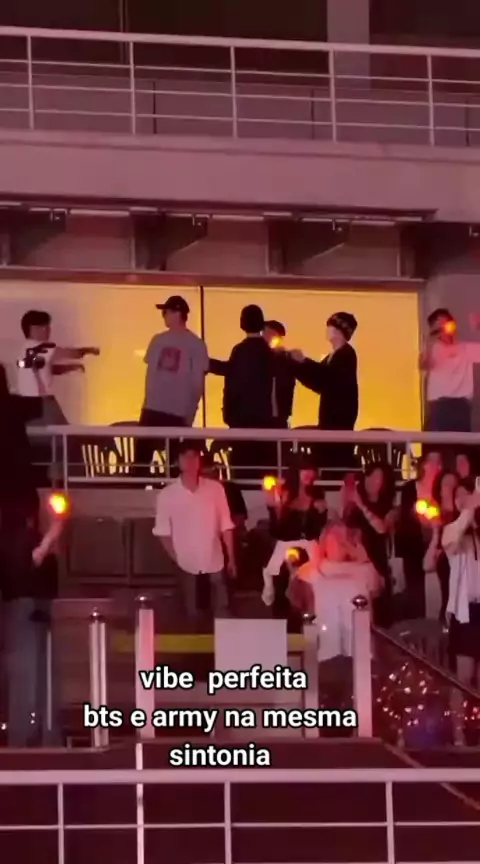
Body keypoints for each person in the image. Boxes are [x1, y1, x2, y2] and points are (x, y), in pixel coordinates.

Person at [152, 441, 236, 626]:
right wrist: (178, 558)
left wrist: (231, 558)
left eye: (194, 456)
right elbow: (163, 532)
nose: (190, 461)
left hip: (214, 560)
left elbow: (225, 525)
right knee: (191, 616)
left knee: (222, 613)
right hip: (186, 563)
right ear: (178, 461)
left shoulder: (215, 489)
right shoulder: (167, 494)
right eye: (185, 457)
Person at [289, 522, 382, 661]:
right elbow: (296, 600)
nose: (341, 540)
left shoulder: (364, 569)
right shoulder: (311, 570)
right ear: (325, 542)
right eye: (336, 536)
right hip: (325, 648)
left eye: (345, 536)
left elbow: (377, 590)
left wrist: (363, 558)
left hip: (360, 650)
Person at [136, 296, 209, 473]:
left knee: (146, 462)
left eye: (166, 312)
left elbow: (151, 377)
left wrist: (147, 403)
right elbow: (197, 384)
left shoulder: (162, 341)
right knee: (169, 464)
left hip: (158, 410)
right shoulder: (195, 344)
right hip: (171, 411)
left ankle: (142, 485)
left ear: (177, 313)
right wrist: (190, 413)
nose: (164, 316)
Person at [291, 312, 358, 472]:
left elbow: (325, 378)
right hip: (330, 420)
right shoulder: (333, 356)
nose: (327, 330)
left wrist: (303, 362)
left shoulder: (346, 355)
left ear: (340, 331)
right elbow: (317, 380)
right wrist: (297, 365)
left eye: (331, 326)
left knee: (334, 463)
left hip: (339, 421)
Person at [262, 457, 328, 616]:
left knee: (311, 582)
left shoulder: (317, 493)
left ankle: (310, 619)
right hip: (285, 544)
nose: (309, 475)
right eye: (305, 470)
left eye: (311, 472)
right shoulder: (282, 491)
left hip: (308, 546)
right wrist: (277, 508)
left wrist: (320, 512)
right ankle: (281, 618)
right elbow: (276, 529)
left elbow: (317, 528)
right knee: (281, 580)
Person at [16, 309, 100, 424]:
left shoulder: (24, 349)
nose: (47, 330)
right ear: (32, 328)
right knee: (63, 431)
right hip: (42, 402)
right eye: (43, 327)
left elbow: (48, 369)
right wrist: (90, 350)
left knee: (40, 433)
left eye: (47, 326)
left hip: (26, 403)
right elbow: (72, 354)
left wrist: (72, 368)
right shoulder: (41, 347)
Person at [221, 305, 277, 476]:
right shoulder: (269, 352)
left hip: (241, 421)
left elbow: (231, 384)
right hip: (265, 421)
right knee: (263, 473)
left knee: (242, 472)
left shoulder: (239, 351)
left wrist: (228, 414)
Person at [342, 463, 396, 627]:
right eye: (370, 476)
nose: (372, 480)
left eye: (378, 477)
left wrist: (361, 505)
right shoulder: (354, 503)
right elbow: (344, 527)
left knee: (380, 616)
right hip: (357, 562)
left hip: (378, 562)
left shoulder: (390, 508)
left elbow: (381, 528)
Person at [395, 451, 443, 618]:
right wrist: (427, 521)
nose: (437, 466)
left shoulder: (440, 490)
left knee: (437, 589)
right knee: (415, 589)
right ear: (424, 465)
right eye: (433, 461)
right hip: (413, 545)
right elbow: (407, 516)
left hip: (436, 545)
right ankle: (416, 623)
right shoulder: (410, 488)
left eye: (439, 462)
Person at [441, 480, 480, 687]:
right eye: (458, 496)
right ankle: (459, 711)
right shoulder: (450, 530)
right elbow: (452, 540)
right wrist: (469, 509)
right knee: (462, 681)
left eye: (467, 494)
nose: (462, 499)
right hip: (465, 613)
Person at [421, 308, 480, 432]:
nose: (445, 329)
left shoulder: (465, 349)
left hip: (461, 406)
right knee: (436, 443)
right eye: (439, 326)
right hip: (439, 406)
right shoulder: (433, 350)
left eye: (447, 324)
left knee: (460, 444)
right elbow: (423, 365)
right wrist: (429, 341)